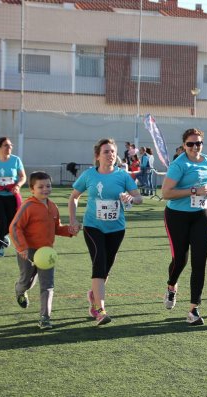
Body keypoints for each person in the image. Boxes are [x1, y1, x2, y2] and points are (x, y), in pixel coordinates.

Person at [68, 138, 143, 326]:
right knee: (99, 262)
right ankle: (100, 310)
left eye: (112, 151)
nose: (110, 155)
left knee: (106, 267)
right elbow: (74, 198)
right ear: (97, 156)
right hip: (93, 226)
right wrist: (73, 219)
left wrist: (131, 199)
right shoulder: (89, 175)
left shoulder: (123, 176)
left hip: (117, 228)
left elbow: (138, 197)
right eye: (106, 152)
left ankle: (93, 294)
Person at [161, 128, 207, 326]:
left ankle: (193, 309)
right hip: (177, 216)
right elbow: (166, 193)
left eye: (199, 143)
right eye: (191, 144)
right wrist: (193, 190)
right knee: (180, 260)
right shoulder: (179, 164)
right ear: (184, 146)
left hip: (201, 214)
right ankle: (171, 287)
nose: (195, 147)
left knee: (200, 262)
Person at [9, 171, 78, 330]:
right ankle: (20, 290)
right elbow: (14, 227)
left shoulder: (53, 206)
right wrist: (22, 247)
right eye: (40, 187)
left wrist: (70, 230)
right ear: (32, 189)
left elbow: (56, 228)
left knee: (47, 285)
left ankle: (44, 318)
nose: (45, 189)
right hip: (28, 251)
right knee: (27, 280)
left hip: (47, 253)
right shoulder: (28, 206)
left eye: (48, 185)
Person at [0, 137, 26, 257]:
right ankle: (0, 249)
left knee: (12, 222)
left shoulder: (16, 160)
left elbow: (23, 177)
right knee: (1, 221)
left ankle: (6, 235)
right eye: (6, 145)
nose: (9, 148)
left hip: (12, 196)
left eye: (11, 145)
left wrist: (18, 185)